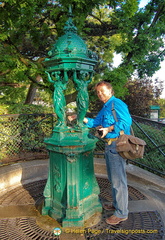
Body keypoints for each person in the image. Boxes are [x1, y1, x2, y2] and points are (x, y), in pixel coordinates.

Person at [68, 80, 132, 225]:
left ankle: (122, 213)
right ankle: (117, 204)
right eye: (97, 92)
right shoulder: (106, 107)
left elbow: (126, 122)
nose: (100, 94)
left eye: (102, 91)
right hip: (109, 146)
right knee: (113, 179)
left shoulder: (117, 103)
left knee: (118, 181)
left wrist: (108, 129)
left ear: (110, 91)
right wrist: (79, 118)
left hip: (117, 144)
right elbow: (95, 123)